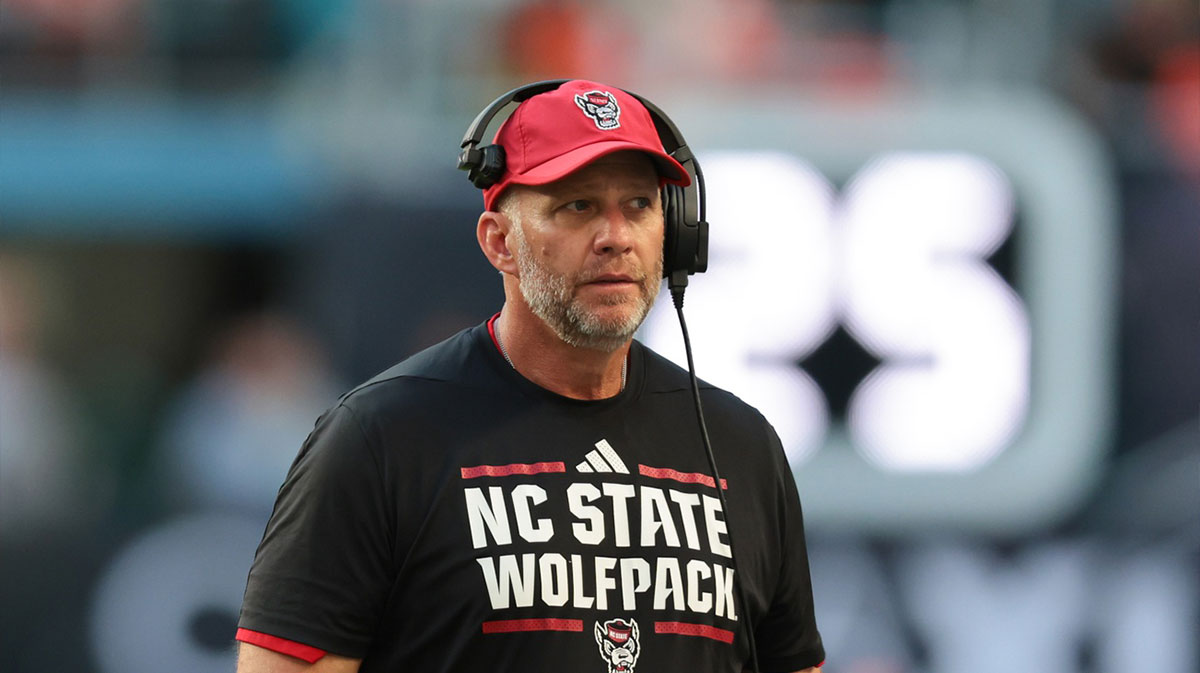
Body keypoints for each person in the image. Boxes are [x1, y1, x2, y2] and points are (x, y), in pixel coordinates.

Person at [235, 79, 824, 673]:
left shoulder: (741, 447)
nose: (616, 238)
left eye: (640, 206)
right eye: (578, 206)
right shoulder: (380, 439)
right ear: (499, 242)